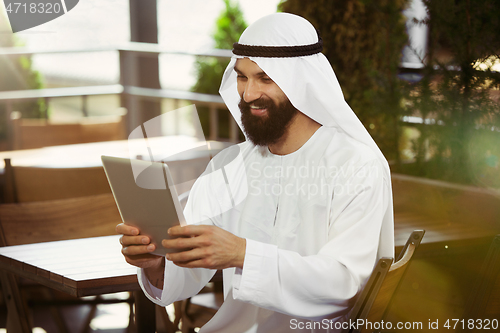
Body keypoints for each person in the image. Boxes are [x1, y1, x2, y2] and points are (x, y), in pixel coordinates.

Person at [117, 13, 394, 333]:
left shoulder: (356, 166)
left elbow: (346, 284)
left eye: (265, 78)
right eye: (242, 77)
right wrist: (155, 263)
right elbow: (186, 271)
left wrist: (243, 254)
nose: (247, 95)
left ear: (301, 83)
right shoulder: (229, 166)